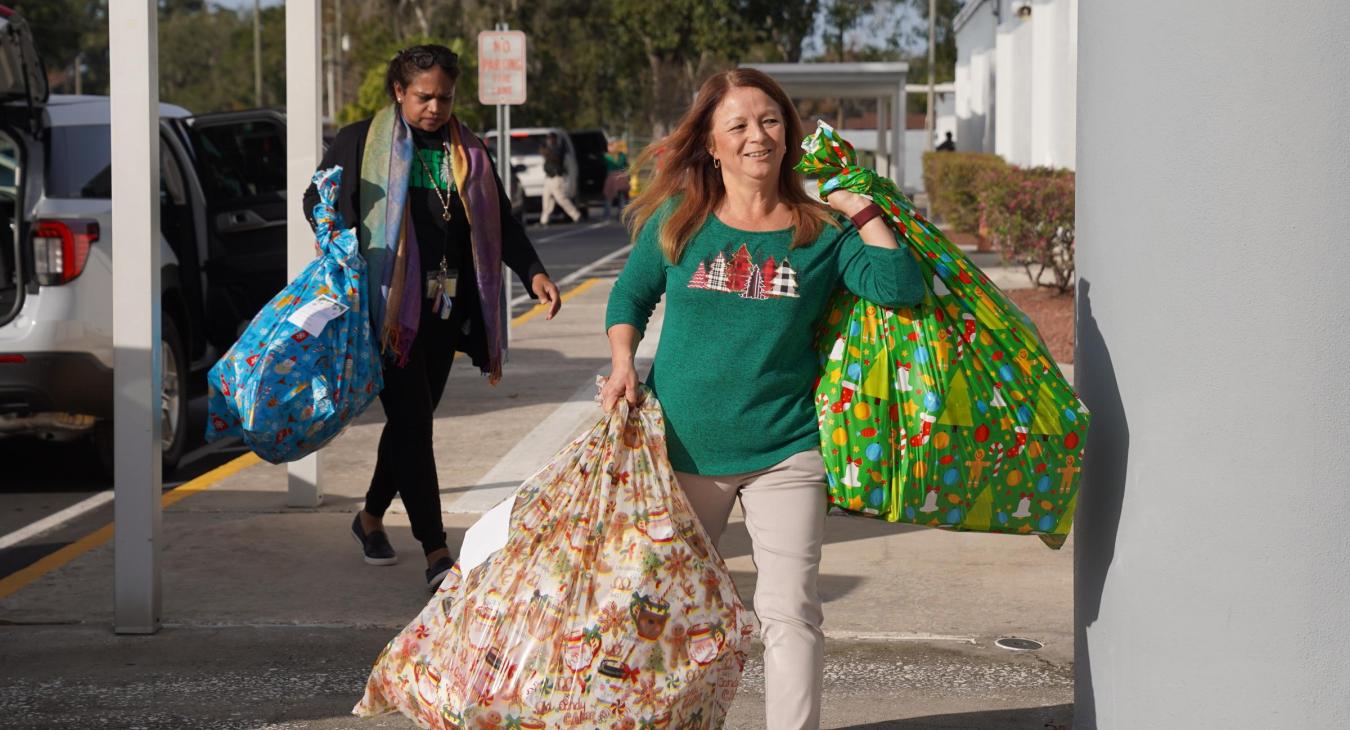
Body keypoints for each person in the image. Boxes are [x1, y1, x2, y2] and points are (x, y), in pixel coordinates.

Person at [601, 69, 926, 730]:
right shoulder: (680, 220)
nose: (758, 136)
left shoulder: (821, 232)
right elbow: (630, 297)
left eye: (770, 120)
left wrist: (857, 206)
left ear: (790, 133)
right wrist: (620, 363)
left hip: (786, 450)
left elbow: (899, 286)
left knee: (792, 612)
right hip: (683, 450)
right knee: (665, 608)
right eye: (739, 125)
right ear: (712, 145)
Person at [302, 45, 561, 590]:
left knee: (408, 424)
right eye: (424, 97)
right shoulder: (360, 141)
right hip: (388, 310)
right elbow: (316, 199)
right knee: (415, 425)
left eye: (445, 97)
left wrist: (532, 271)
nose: (435, 108)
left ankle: (369, 518)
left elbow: (502, 220)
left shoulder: (469, 150)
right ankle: (436, 550)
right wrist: (343, 244)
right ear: (400, 92)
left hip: (447, 308)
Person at [539, 131, 582, 226]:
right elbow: (543, 153)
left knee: (561, 199)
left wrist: (545, 149)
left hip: (556, 177)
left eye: (551, 138)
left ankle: (576, 215)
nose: (549, 140)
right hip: (548, 178)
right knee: (546, 199)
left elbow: (552, 156)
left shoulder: (558, 149)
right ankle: (544, 220)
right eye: (548, 139)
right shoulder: (548, 149)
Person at [602, 139, 630, 219]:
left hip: (612, 177)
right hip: (621, 177)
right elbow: (626, 165)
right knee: (621, 196)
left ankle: (607, 214)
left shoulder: (607, 156)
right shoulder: (622, 155)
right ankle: (621, 214)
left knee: (609, 196)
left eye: (610, 146)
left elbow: (607, 164)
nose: (608, 148)